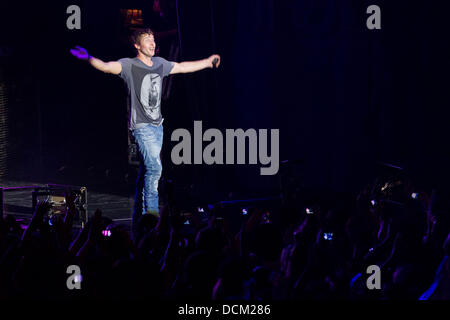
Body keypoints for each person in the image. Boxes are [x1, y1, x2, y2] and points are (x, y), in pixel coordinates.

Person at [70, 28, 221, 240]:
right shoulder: (129, 65)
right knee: (154, 169)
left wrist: (206, 62)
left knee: (145, 174)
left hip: (157, 127)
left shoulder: (160, 63)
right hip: (142, 128)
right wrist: (88, 58)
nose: (152, 43)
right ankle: (152, 218)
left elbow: (182, 67)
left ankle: (137, 221)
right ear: (137, 45)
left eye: (153, 39)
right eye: (147, 40)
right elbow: (106, 67)